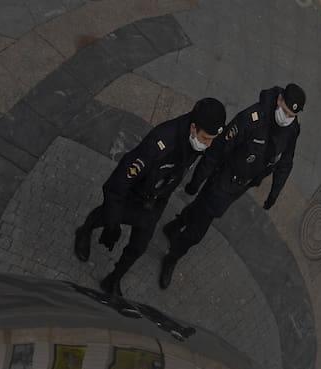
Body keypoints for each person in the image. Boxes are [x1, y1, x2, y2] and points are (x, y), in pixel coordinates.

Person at [74, 98, 226, 297]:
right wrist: (113, 223)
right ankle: (84, 231)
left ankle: (114, 279)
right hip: (133, 196)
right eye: (205, 138)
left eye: (212, 139)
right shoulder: (160, 144)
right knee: (103, 217)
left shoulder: (196, 140)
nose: (208, 144)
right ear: (193, 128)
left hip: (155, 202)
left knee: (138, 247)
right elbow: (119, 183)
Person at [159, 83, 305, 289]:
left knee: (202, 208)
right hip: (223, 179)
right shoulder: (251, 119)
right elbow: (218, 149)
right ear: (279, 99)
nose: (287, 117)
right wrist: (197, 180)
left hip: (243, 184)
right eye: (286, 111)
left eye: (291, 115)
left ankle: (175, 225)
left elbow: (286, 161)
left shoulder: (292, 128)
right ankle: (173, 256)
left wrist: (275, 192)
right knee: (198, 231)